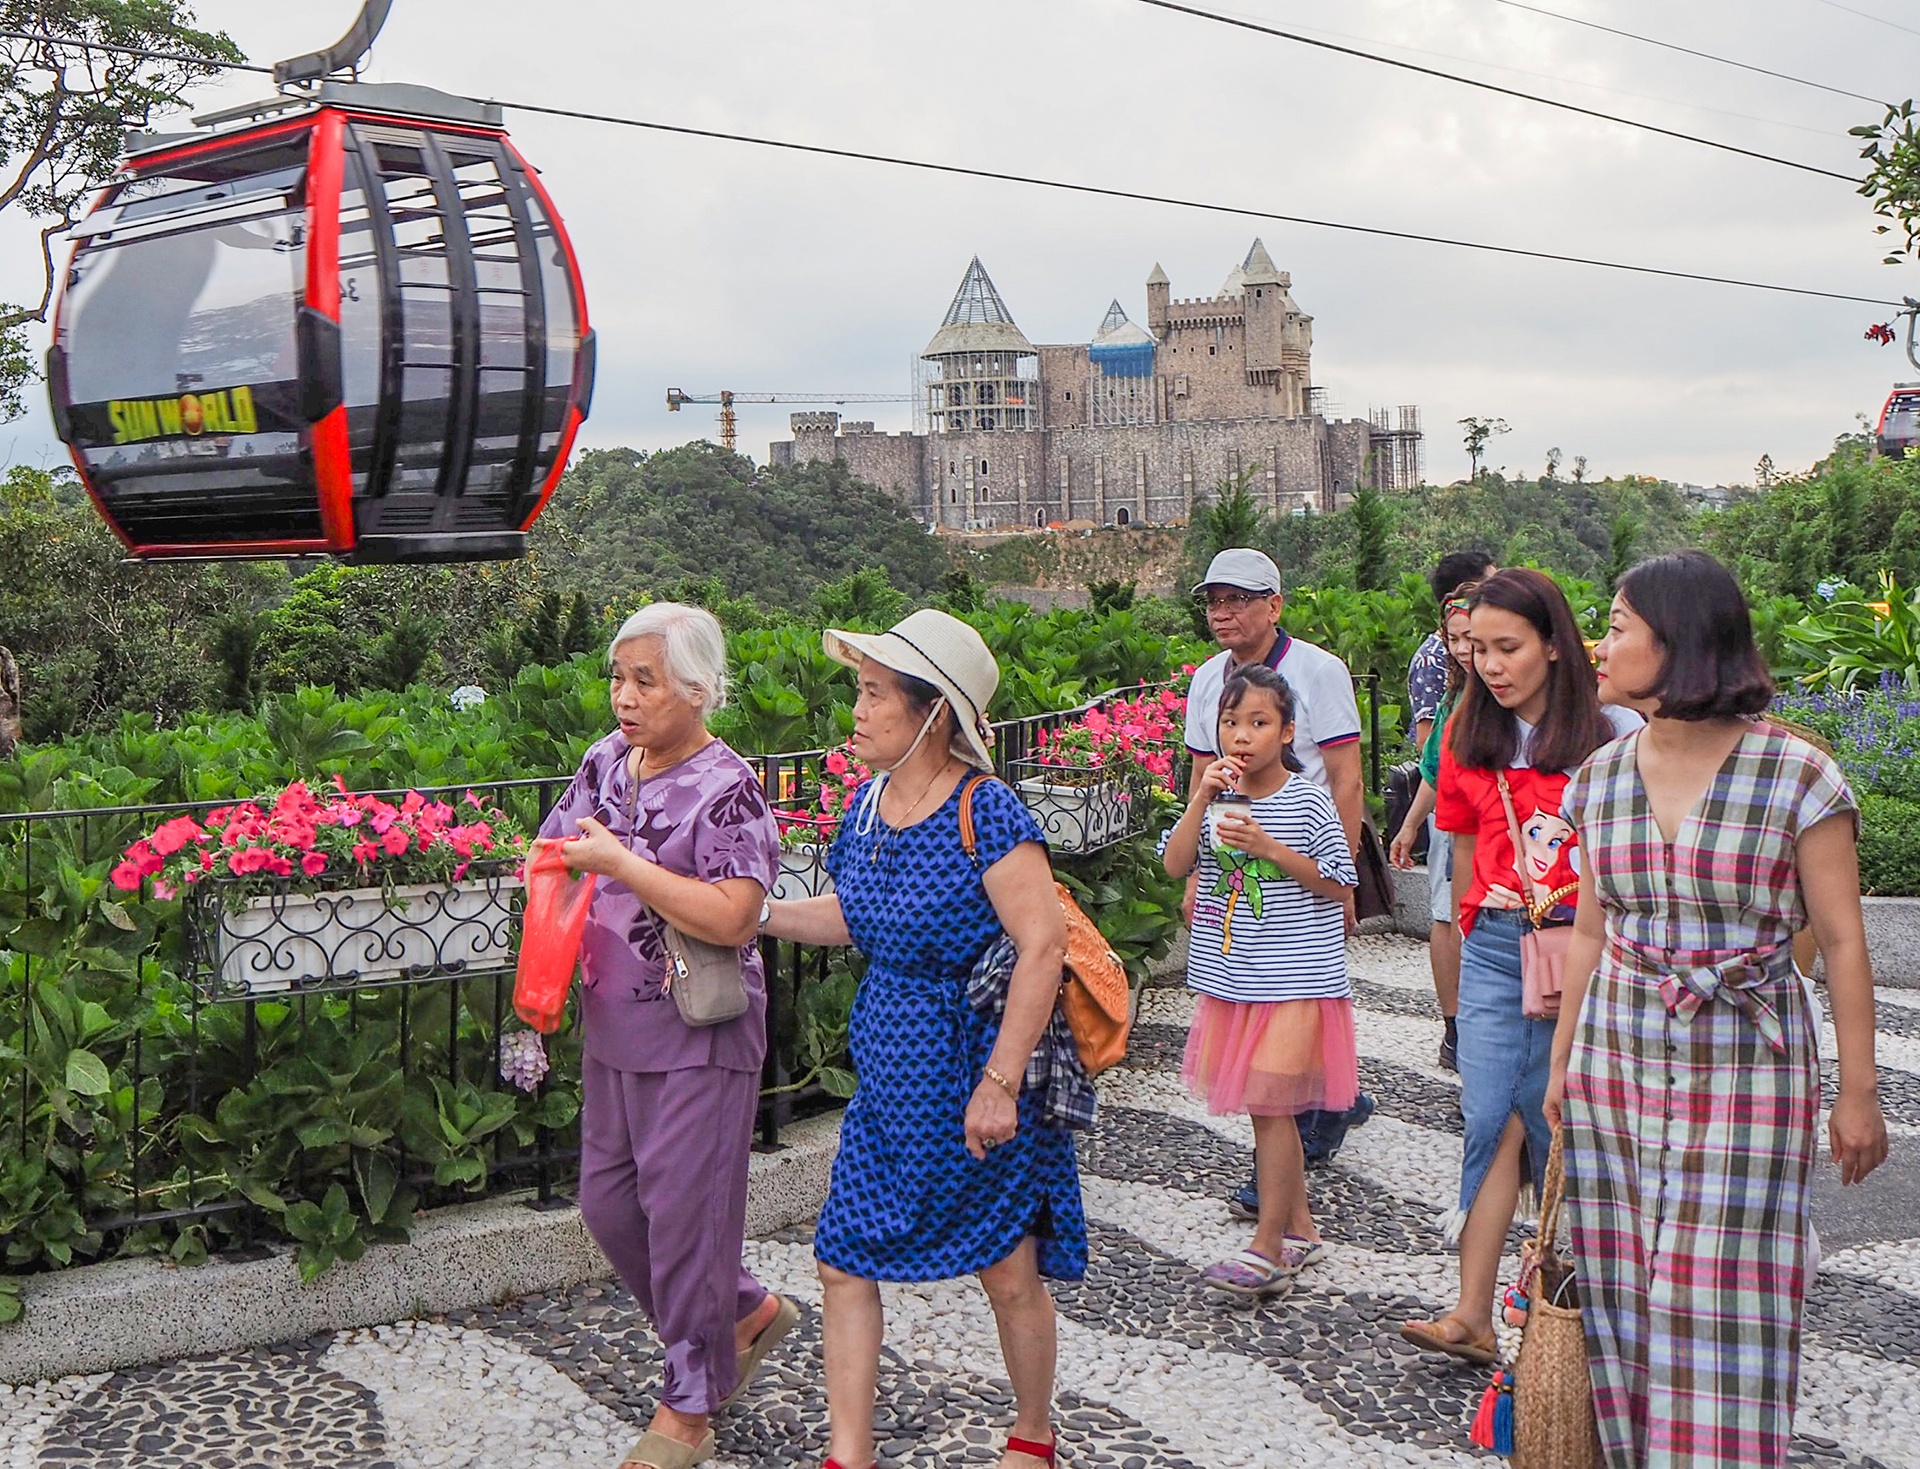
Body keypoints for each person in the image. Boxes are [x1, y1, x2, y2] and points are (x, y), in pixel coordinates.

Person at [1545, 552, 1888, 1467]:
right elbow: (1588, 934)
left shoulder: (1797, 775)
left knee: (1726, 1290)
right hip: (1615, 1053)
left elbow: (1843, 941)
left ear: (1682, 639)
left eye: (1618, 624)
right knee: (1620, 1283)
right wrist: (1562, 1065)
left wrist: (1859, 1092)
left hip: (1748, 1054)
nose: (1600, 640)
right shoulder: (1602, 775)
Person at [761, 608, 1080, 1469]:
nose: (856, 711)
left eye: (873, 694)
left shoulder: (988, 809)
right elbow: (854, 918)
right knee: (842, 1258)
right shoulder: (866, 806)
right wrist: (751, 914)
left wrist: (1001, 1081)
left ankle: (1033, 1435)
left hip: (972, 1066)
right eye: (859, 691)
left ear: (933, 711)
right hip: (890, 1083)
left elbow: (1042, 943)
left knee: (1006, 1269)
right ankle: (849, 1454)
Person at [536, 603, 800, 1469]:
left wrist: (623, 865)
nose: (624, 696)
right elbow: (559, 840)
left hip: (701, 1030)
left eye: (644, 680)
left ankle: (689, 1401)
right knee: (609, 1205)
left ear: (695, 688)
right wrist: (546, 868)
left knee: (686, 1223)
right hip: (615, 1023)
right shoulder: (605, 760)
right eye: (618, 677)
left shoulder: (729, 787)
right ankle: (743, 1310)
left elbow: (735, 914)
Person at [1398, 568, 1642, 1366]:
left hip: (1591, 944)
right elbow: (1463, 851)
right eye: (1476, 649)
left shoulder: (1612, 734)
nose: (1490, 665)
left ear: (1553, 645)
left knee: (1562, 1119)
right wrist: (1476, 932)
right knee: (1489, 1113)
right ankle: (1472, 1309)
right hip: (1503, 947)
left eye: (1507, 648)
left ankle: (1582, 1307)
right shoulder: (1473, 731)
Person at [1181, 547, 1374, 1206]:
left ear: (1275, 604)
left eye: (1238, 598)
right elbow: (1200, 779)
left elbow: (1346, 778)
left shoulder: (1318, 671)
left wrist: (1340, 878)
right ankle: (1325, 1107)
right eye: (1213, 599)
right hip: (1237, 871)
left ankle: (1279, 1190)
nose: (1223, 612)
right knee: (1259, 1006)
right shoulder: (1208, 679)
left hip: (1302, 862)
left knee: (1297, 1002)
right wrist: (1193, 879)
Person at [1163, 665, 1358, 1293]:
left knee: (1274, 1111)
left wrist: (1271, 848)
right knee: (1262, 1111)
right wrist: (1199, 797)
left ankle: (1267, 1246)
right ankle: (1301, 1230)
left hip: (1296, 977)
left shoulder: (1307, 801)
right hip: (1233, 980)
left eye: (1258, 722)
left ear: (1287, 732)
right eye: (1231, 722)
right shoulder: (1220, 795)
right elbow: (1173, 864)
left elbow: (1339, 882)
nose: (1242, 736)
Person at [1401, 550, 1496, 1070]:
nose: (1466, 650)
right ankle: (1459, 1028)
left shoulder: (1488, 688)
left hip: (1493, 832)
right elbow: (1435, 761)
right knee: (1451, 914)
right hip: (1459, 826)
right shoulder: (1445, 681)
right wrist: (1415, 821)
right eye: (1456, 640)